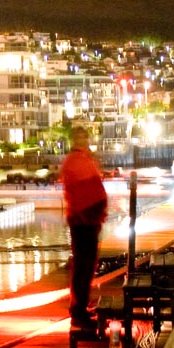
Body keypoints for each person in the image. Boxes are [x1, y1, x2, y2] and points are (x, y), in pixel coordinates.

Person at [59, 125, 108, 329]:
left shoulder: (84, 158)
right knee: (83, 266)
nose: (83, 140)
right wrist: (88, 211)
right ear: (73, 140)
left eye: (84, 137)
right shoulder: (74, 161)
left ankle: (81, 305)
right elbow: (79, 192)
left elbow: (92, 186)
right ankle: (78, 311)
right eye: (79, 137)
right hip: (82, 220)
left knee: (87, 266)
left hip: (89, 219)